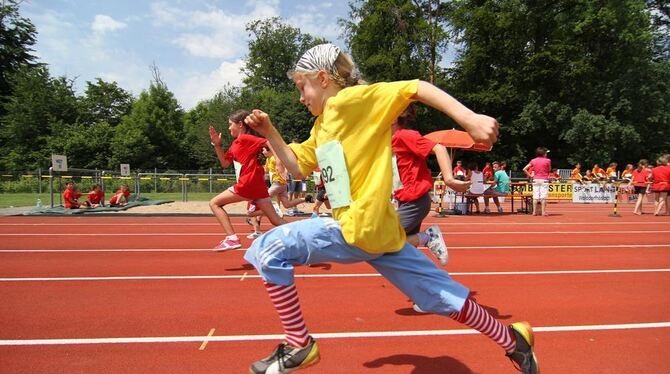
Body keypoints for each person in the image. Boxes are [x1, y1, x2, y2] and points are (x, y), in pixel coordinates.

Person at [241, 44, 537, 374]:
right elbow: (297, 169)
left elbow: (415, 87)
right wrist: (270, 133)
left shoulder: (352, 100)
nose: (300, 98)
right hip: (380, 231)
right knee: (441, 297)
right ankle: (514, 341)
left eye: (302, 87)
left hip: (359, 227)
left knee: (268, 248)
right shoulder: (322, 126)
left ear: (323, 78)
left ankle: (299, 344)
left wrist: (469, 119)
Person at [391, 104, 470, 265]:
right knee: (402, 251)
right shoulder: (384, 140)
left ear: (394, 117)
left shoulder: (404, 135)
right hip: (404, 201)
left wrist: (449, 179)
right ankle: (427, 282)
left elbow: (439, 148)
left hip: (416, 201)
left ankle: (428, 236)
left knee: (382, 241)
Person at [208, 110, 287, 251]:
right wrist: (217, 145)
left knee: (214, 203)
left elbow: (269, 142)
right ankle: (303, 238)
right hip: (258, 186)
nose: (228, 128)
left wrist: (279, 162)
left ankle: (231, 238)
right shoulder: (235, 144)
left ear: (239, 124)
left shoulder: (245, 138)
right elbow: (225, 163)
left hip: (248, 182)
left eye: (230, 124)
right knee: (275, 220)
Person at [523, 147, 551, 216]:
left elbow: (524, 169)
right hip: (544, 179)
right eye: (546, 153)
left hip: (535, 179)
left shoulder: (533, 160)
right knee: (543, 197)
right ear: (544, 153)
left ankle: (534, 212)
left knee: (535, 196)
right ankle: (543, 212)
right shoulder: (548, 160)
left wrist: (530, 175)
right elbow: (549, 169)